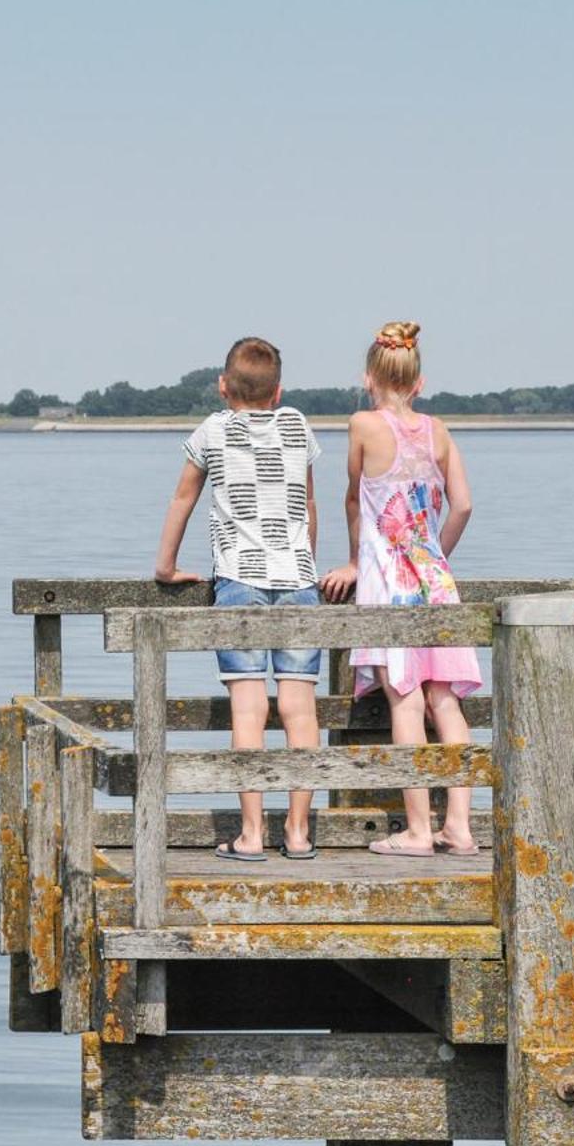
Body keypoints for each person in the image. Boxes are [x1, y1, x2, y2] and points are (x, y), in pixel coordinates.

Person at [152, 336, 323, 861]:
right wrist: (305, 565)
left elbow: (185, 496)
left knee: (247, 711)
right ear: (278, 392)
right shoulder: (297, 426)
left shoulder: (212, 429)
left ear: (223, 386)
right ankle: (297, 833)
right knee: (299, 709)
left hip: (239, 581)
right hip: (299, 580)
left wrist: (165, 566)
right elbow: (310, 504)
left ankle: (251, 835)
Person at [319, 321, 481, 856]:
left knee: (406, 702)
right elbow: (462, 506)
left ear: (369, 376)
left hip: (389, 580)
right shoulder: (439, 430)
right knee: (446, 702)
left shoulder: (363, 423)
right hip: (434, 578)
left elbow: (352, 498)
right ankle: (459, 824)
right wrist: (435, 556)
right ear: (419, 382)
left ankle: (417, 828)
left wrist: (352, 561)